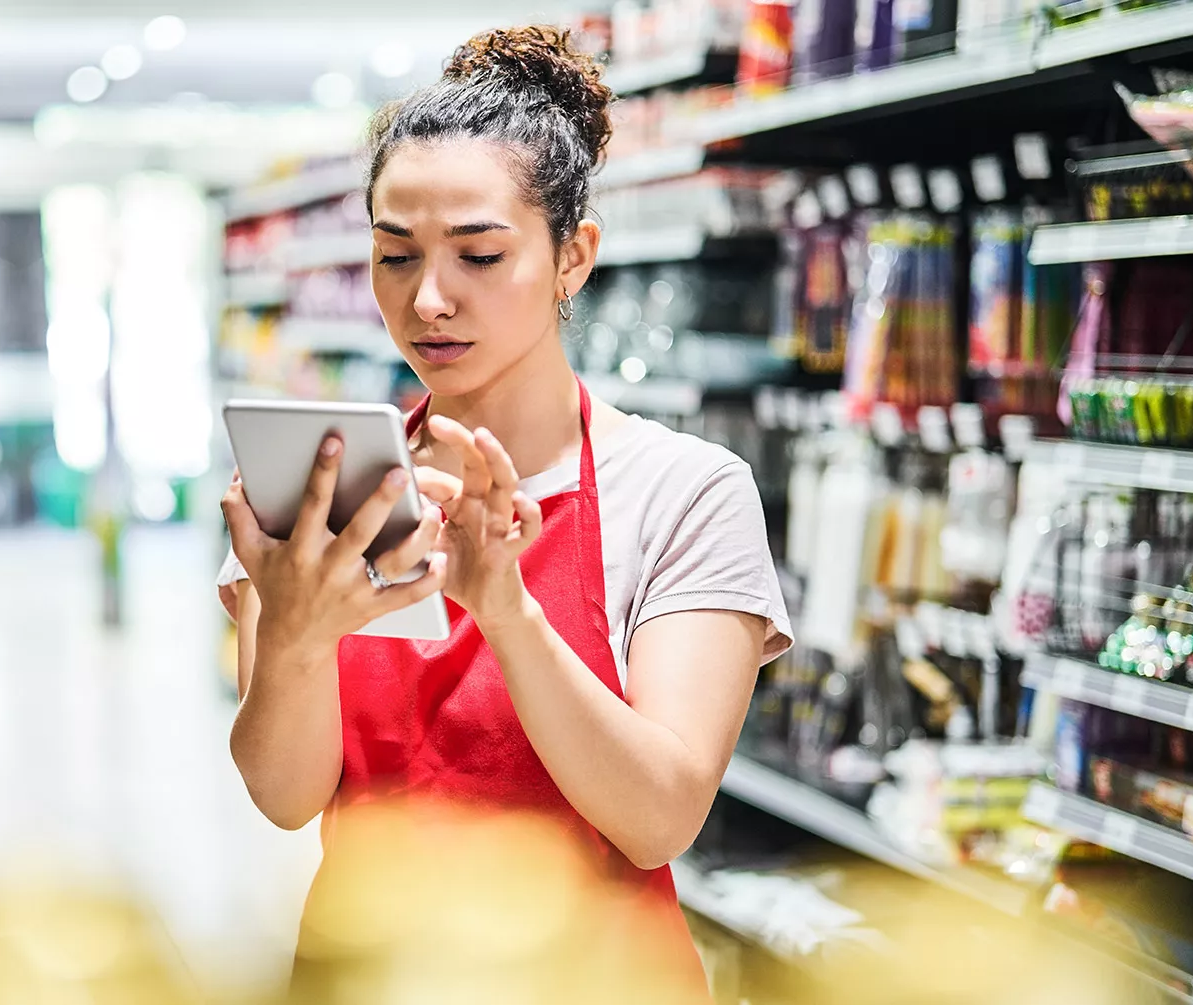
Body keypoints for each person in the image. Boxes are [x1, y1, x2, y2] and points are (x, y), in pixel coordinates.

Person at [217, 24, 792, 994]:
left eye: (478, 255)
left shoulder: (684, 491)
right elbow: (285, 797)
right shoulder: (330, 489)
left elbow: (658, 821)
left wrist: (508, 612)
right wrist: (298, 640)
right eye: (395, 256)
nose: (429, 298)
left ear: (574, 258)